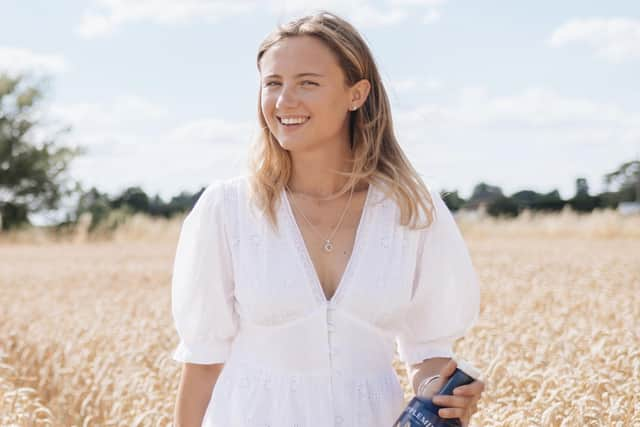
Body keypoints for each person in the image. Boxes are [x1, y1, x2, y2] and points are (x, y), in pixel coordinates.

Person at [171, 10, 485, 427]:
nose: (285, 102)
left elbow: (428, 350)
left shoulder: (412, 209)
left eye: (308, 83)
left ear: (356, 94)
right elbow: (202, 361)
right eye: (273, 84)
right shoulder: (226, 209)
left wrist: (443, 395)